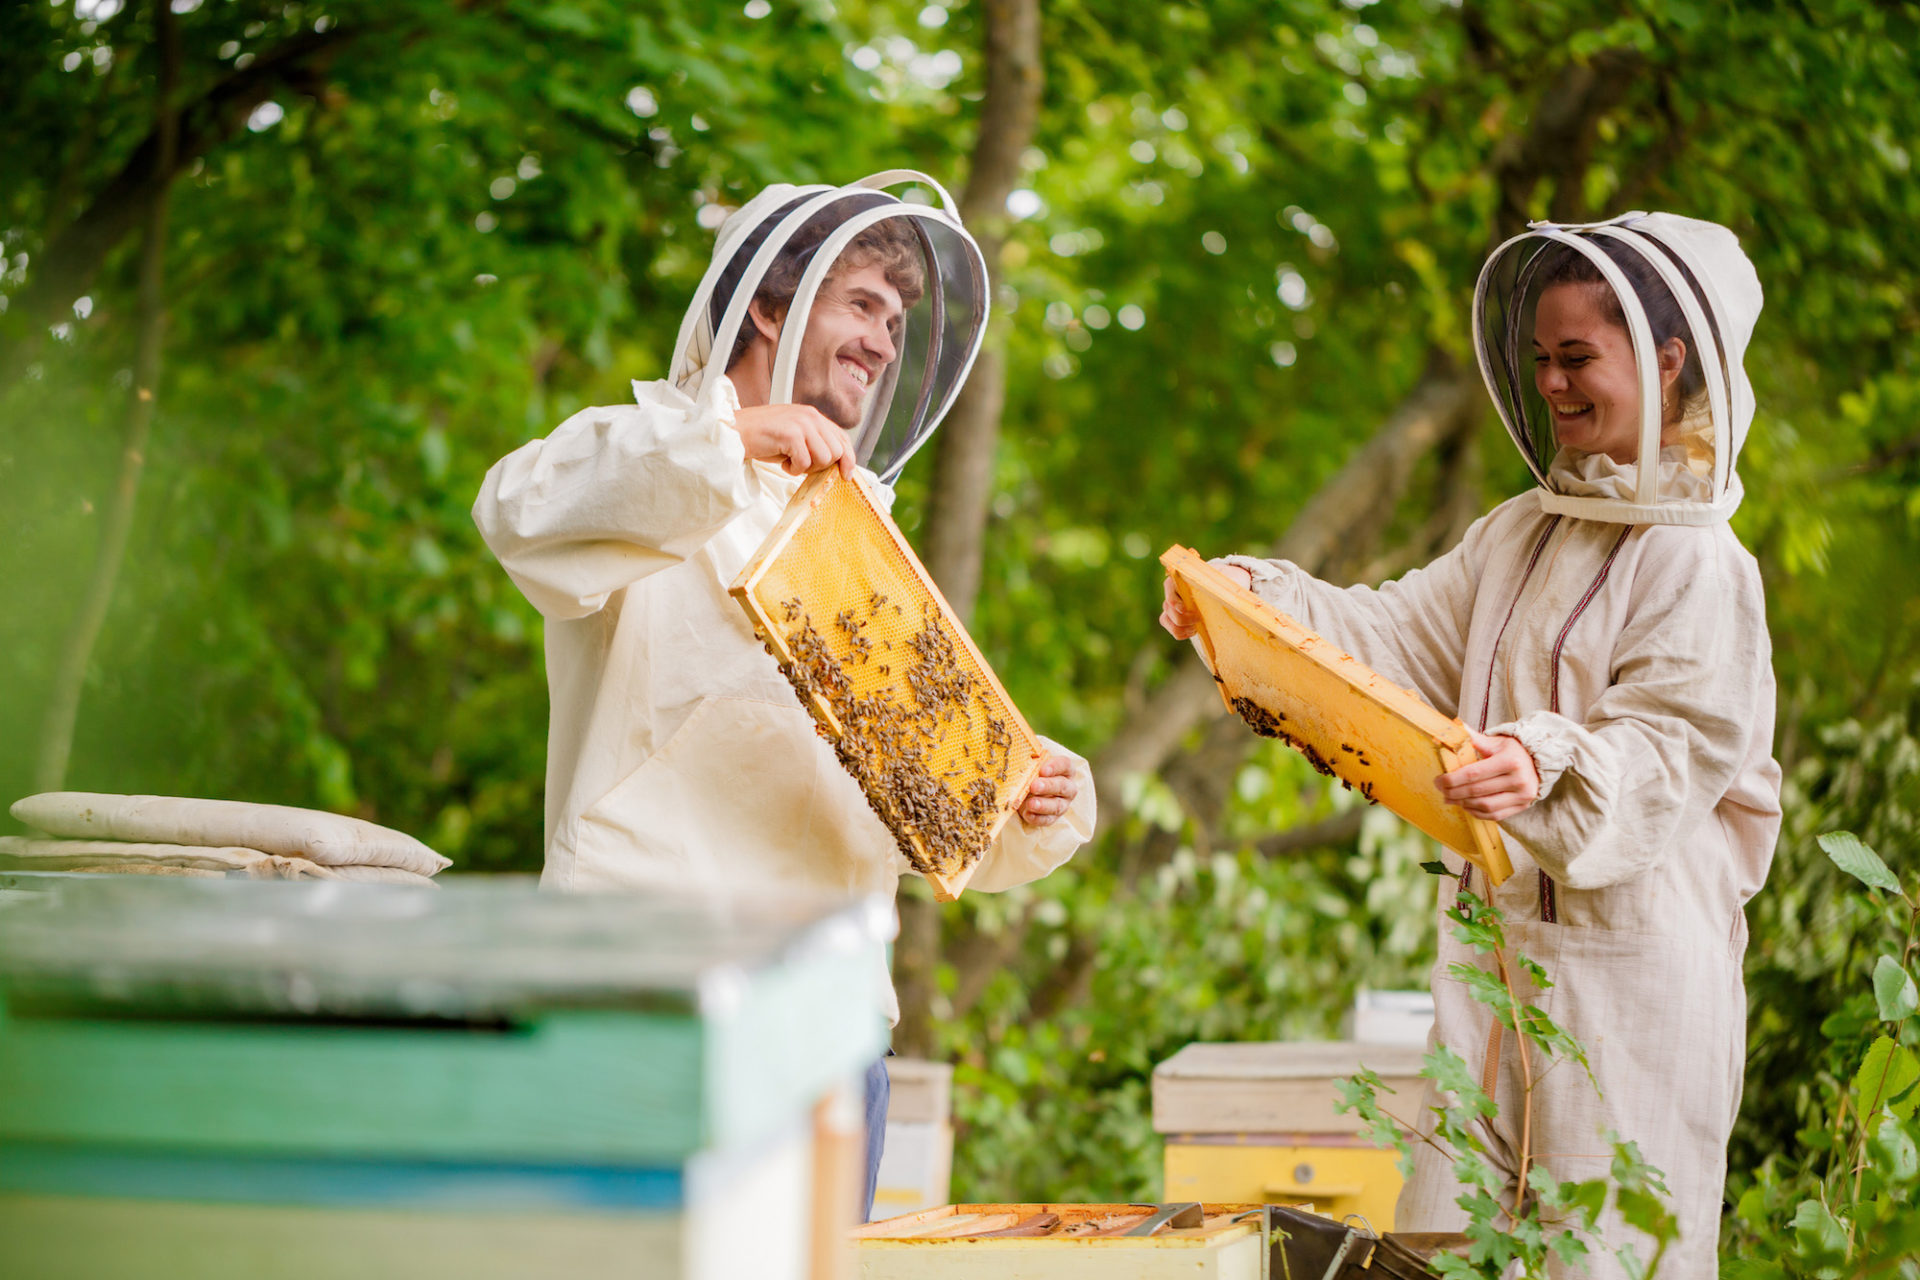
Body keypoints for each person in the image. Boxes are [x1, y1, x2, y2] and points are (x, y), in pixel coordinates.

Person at [1161, 213, 1780, 1275]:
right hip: (1487, 976)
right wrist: (1250, 601)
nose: (1553, 383)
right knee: (1446, 1250)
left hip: (1632, 995)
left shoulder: (1705, 566)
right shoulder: (1519, 531)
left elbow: (1666, 750)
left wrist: (1543, 760)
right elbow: (1392, 635)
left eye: (1577, 355)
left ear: (1669, 358)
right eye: (1540, 358)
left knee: (1606, 1256)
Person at [474, 172, 1096, 1219]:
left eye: (896, 322)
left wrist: (1031, 799)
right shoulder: (652, 452)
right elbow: (516, 512)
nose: (884, 341)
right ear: (771, 303)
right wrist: (730, 440)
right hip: (649, 991)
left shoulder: (859, 542)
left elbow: (932, 810)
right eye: (863, 305)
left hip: (830, 1027)